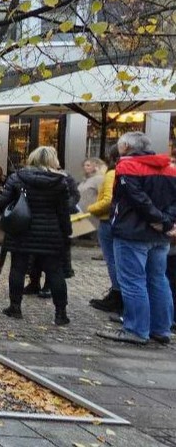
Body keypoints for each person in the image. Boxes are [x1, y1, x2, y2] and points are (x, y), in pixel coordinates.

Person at [97, 132, 176, 345]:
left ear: (125, 146)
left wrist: (158, 219)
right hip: (159, 235)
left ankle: (136, 329)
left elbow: (136, 199)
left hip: (132, 231)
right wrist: (166, 221)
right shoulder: (169, 167)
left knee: (133, 281)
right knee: (158, 279)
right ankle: (161, 329)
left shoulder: (127, 166)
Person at [0, 146, 73, 326]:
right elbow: (64, 211)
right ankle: (60, 312)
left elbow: (2, 202)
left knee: (18, 269)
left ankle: (15, 307)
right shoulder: (60, 182)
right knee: (55, 272)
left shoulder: (17, 178)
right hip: (50, 232)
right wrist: (66, 232)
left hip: (21, 230)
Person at [88, 148, 121, 313]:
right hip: (121, 221)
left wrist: (91, 209)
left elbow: (108, 200)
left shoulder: (111, 174)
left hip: (108, 221)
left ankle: (117, 294)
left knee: (113, 260)